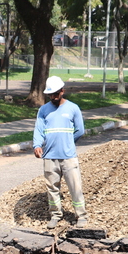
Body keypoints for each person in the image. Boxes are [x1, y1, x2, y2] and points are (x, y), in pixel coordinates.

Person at [33, 75, 88, 229]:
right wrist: (37, 145)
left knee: (75, 188)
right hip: (50, 156)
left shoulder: (73, 108)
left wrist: (68, 142)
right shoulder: (43, 110)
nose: (53, 97)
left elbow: (80, 130)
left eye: (56, 94)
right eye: (50, 94)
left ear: (62, 91)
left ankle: (81, 216)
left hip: (68, 157)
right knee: (52, 189)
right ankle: (56, 215)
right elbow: (39, 129)